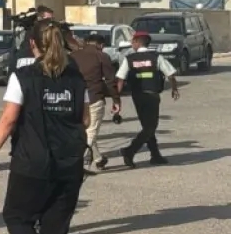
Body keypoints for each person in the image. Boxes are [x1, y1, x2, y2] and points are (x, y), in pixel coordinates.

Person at [0, 19, 89, 234]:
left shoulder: (23, 76)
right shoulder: (76, 77)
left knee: (16, 216)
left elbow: (9, 119)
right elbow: (85, 118)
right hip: (69, 162)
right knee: (56, 225)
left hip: (32, 161)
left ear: (32, 44)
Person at [114, 31, 179, 167]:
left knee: (147, 126)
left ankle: (155, 155)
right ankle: (130, 151)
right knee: (150, 126)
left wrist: (116, 98)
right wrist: (174, 89)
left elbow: (120, 79)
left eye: (132, 42)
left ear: (137, 42)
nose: (131, 44)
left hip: (137, 96)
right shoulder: (156, 57)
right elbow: (171, 74)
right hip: (152, 95)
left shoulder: (129, 58)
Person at [69, 32, 121, 172]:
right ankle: (80, 164)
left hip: (74, 99)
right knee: (91, 131)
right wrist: (116, 100)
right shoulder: (102, 56)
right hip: (94, 97)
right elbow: (110, 81)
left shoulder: (72, 56)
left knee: (86, 131)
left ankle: (98, 159)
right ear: (101, 45)